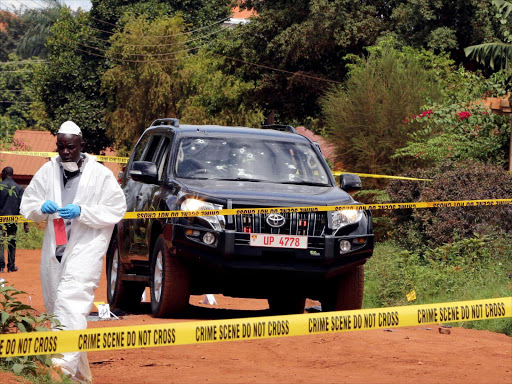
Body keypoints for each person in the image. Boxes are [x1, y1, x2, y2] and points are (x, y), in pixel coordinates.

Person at [20, 121, 127, 383]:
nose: (65, 152)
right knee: (58, 308)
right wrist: (39, 208)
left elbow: (117, 208)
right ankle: (81, 378)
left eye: (70, 147)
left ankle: (60, 374)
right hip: (55, 250)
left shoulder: (100, 175)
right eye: (61, 147)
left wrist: (83, 212)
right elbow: (28, 202)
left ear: (81, 146)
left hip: (85, 249)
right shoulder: (47, 170)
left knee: (71, 303)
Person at [0, 166, 27, 272]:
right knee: (11, 242)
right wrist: (25, 223)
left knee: (0, 242)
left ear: (4, 173)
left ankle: (1, 267)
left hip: (0, 220)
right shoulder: (19, 188)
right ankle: (11, 266)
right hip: (13, 219)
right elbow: (23, 206)